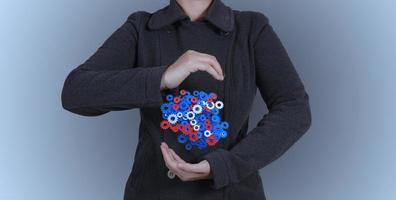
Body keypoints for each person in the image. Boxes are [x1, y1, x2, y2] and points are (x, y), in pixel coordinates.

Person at [61, 0, 312, 199]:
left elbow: (295, 108)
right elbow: (76, 92)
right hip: (153, 192)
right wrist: (163, 77)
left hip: (234, 191)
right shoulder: (141, 29)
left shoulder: (251, 29)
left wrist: (223, 166)